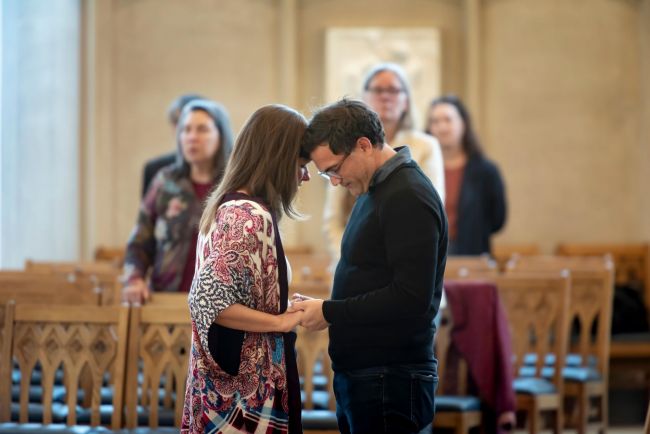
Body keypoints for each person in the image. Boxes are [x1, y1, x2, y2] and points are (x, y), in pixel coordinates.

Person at [293, 98, 447, 434]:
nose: (334, 181)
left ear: (363, 145)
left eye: (334, 169)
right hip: (369, 376)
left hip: (389, 377)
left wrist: (330, 311)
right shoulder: (377, 189)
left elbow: (411, 297)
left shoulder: (406, 195)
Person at [182, 104, 310, 433]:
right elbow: (206, 300)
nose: (305, 176)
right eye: (301, 164)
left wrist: (282, 305)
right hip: (242, 399)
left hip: (238, 394)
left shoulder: (234, 206)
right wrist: (278, 320)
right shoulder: (246, 215)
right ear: (279, 159)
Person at [323, 63, 445, 264]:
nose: (386, 96)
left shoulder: (426, 146)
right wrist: (349, 259)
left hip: (409, 257)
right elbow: (332, 221)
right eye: (378, 90)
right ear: (364, 98)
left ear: (406, 101)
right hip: (355, 263)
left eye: (394, 90)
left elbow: (433, 203)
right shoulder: (347, 147)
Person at [122, 99, 234, 304]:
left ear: (221, 135)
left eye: (202, 130)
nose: (192, 137)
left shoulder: (235, 186)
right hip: (166, 299)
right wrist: (134, 280)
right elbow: (139, 241)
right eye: (186, 129)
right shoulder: (165, 182)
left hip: (221, 308)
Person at [426, 94, 506, 255]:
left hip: (471, 253)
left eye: (448, 120)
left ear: (462, 124)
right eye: (435, 121)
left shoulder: (486, 171)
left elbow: (497, 219)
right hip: (429, 251)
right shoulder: (419, 168)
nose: (442, 127)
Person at [142, 93, 206, 197]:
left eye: (200, 128)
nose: (192, 136)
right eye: (185, 127)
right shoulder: (157, 170)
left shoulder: (230, 168)